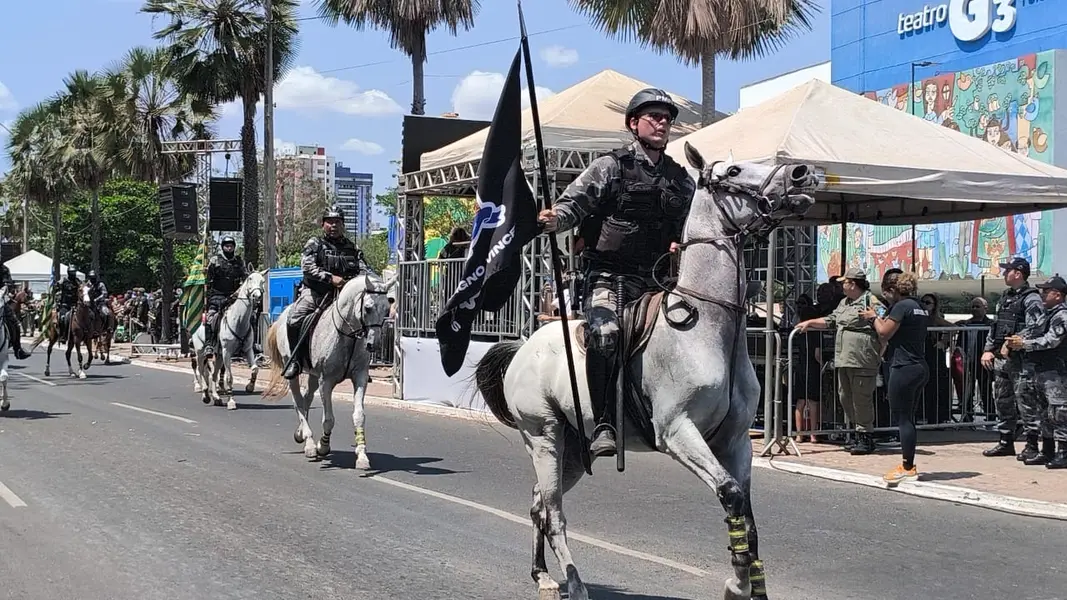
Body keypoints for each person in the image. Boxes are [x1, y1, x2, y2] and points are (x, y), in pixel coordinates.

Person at [538, 87, 696, 457]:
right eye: (653, 117)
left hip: (658, 281)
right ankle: (605, 422)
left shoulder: (679, 178)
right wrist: (554, 219)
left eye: (667, 118)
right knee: (606, 334)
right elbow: (572, 205)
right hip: (609, 277)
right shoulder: (610, 167)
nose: (662, 123)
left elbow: (693, 221)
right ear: (633, 123)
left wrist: (682, 241)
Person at [795, 268, 886, 454]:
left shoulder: (871, 301)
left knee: (862, 398)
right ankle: (855, 431)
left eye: (845, 282)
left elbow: (885, 326)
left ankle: (865, 436)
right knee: (845, 397)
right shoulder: (844, 303)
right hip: (844, 358)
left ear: (853, 283)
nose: (842, 285)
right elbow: (831, 320)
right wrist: (810, 323)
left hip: (862, 358)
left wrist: (880, 348)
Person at [282, 205, 367, 380]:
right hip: (316, 293)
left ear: (343, 225)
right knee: (294, 319)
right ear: (323, 224)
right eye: (329, 222)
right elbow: (307, 267)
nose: (333, 225)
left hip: (344, 297)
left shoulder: (352, 247)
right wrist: (330, 278)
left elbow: (365, 269)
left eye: (337, 222)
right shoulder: (314, 243)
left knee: (367, 319)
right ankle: (295, 361)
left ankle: (360, 365)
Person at [862, 271, 930, 484]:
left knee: (903, 418)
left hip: (904, 366)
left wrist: (874, 318)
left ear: (895, 290)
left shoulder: (902, 307)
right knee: (908, 417)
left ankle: (907, 466)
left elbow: (884, 332)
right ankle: (908, 463)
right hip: (919, 365)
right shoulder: (920, 307)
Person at [981, 257, 1045, 458]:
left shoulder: (1031, 298)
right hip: (1002, 359)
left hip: (1022, 360)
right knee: (1002, 400)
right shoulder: (1005, 297)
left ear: (1018, 273)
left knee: (1026, 402)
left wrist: (1012, 343)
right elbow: (996, 325)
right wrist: (988, 348)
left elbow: (1035, 327)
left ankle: (1032, 445)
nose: (1003, 274)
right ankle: (1005, 441)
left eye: (1007, 270)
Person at [1006, 276, 1067, 468]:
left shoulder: (1062, 315)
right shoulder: (1048, 314)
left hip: (1057, 372)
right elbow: (1033, 330)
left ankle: (1063, 452)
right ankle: (1047, 450)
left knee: (1059, 412)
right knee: (1044, 412)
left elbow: (1051, 340)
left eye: (1046, 291)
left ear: (1058, 295)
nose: (1042, 294)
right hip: (1042, 370)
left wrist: (1024, 344)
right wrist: (1018, 338)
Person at [203, 235, 248, 357]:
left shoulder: (239, 262)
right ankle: (209, 345)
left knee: (248, 317)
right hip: (217, 297)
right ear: (223, 247)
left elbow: (246, 279)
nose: (229, 248)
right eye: (227, 245)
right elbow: (207, 281)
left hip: (234, 297)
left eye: (231, 245)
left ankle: (248, 344)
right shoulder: (215, 261)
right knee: (210, 318)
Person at [0, 263, 31, 359]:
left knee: (14, 322)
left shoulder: (4, 269)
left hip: (0, 299)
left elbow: (8, 283)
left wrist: (8, 291)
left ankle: (17, 349)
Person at [57, 266, 81, 339]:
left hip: (75, 305)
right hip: (65, 305)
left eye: (74, 272)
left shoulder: (78, 281)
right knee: (62, 318)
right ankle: (62, 335)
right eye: (71, 272)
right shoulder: (63, 281)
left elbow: (82, 289)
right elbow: (57, 290)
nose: (73, 274)